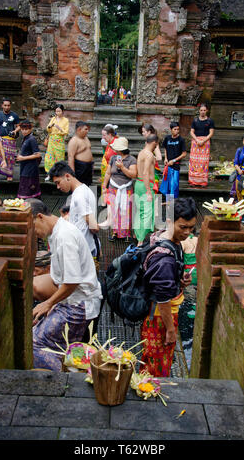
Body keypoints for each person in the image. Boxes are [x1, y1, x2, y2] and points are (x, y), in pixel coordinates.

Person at [30, 199, 102, 371]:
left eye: (31, 228)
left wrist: (48, 303)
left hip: (79, 306)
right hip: (71, 300)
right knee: (35, 331)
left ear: (40, 217)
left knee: (35, 345)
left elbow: (72, 281)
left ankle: (59, 381)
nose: (33, 233)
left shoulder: (64, 236)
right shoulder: (58, 230)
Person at [141, 197, 197, 377]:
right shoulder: (164, 259)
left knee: (150, 358)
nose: (187, 232)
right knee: (158, 364)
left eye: (191, 227)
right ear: (170, 222)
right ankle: (151, 394)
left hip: (154, 311)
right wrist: (171, 331)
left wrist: (179, 280)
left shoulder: (159, 235)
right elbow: (162, 299)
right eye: (183, 227)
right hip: (159, 317)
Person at [48, 161, 101, 268]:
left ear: (67, 176)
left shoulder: (79, 195)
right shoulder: (83, 189)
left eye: (58, 182)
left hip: (82, 249)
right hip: (84, 246)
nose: (58, 187)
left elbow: (94, 226)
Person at [101, 136, 137, 242]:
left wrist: (122, 167)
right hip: (113, 187)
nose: (114, 150)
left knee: (126, 210)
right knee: (113, 210)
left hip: (126, 188)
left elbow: (133, 174)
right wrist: (104, 186)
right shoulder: (113, 158)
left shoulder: (132, 160)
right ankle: (115, 232)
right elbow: (108, 173)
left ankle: (126, 233)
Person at [133, 134, 159, 246]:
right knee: (146, 214)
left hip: (138, 184)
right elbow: (145, 173)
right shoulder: (148, 155)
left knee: (140, 211)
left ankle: (137, 234)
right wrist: (148, 191)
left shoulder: (141, 152)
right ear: (154, 143)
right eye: (157, 144)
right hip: (145, 185)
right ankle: (140, 241)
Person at [0, 98, 20, 181]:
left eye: (8, 105)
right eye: (5, 105)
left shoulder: (14, 115)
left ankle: (9, 175)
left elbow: (19, 126)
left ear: (10, 106)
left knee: (10, 158)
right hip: (1, 139)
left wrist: (15, 131)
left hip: (11, 140)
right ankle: (0, 172)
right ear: (2, 105)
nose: (7, 107)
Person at [188, 103, 215, 187]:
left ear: (206, 111)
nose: (203, 112)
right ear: (199, 111)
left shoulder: (210, 121)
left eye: (204, 110)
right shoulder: (195, 121)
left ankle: (202, 181)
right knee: (194, 161)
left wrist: (204, 140)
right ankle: (193, 180)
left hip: (205, 142)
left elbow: (211, 133)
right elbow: (191, 131)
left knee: (203, 162)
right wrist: (196, 139)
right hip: (195, 142)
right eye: (201, 110)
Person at [159, 122, 187, 198]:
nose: (177, 131)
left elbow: (184, 154)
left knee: (174, 184)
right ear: (171, 129)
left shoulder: (181, 140)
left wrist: (174, 160)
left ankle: (173, 201)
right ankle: (168, 201)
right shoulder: (167, 138)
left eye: (178, 129)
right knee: (167, 183)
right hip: (168, 165)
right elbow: (165, 148)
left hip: (176, 165)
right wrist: (166, 158)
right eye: (175, 129)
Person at [16, 120, 41, 200]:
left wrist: (23, 158)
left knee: (29, 188)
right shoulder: (25, 138)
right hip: (25, 166)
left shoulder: (32, 139)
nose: (24, 131)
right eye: (22, 129)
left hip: (30, 168)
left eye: (26, 129)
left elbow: (38, 154)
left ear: (30, 129)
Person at [44, 105, 69, 180]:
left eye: (59, 111)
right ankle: (49, 174)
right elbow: (48, 129)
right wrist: (50, 126)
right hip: (52, 140)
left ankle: (59, 174)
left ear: (62, 111)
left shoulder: (65, 120)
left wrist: (60, 128)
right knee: (49, 157)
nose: (57, 113)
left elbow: (66, 132)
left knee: (59, 157)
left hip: (59, 140)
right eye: (56, 111)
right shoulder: (53, 119)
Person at [67, 121, 94, 187]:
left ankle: (89, 197)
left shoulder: (86, 138)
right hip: (79, 167)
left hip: (89, 166)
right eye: (86, 129)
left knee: (89, 184)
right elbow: (70, 157)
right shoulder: (74, 140)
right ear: (79, 129)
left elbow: (89, 151)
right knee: (79, 185)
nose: (87, 131)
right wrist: (72, 173)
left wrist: (92, 166)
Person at [140, 123, 162, 190]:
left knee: (154, 189)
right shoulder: (147, 142)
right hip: (148, 169)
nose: (143, 133)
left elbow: (159, 157)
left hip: (153, 170)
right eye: (142, 132)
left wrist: (150, 158)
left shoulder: (154, 143)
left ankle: (158, 200)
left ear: (149, 132)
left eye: (144, 132)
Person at [100, 124, 118, 191]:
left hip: (114, 174)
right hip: (108, 173)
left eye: (104, 135)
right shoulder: (109, 143)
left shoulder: (116, 145)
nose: (103, 137)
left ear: (110, 134)